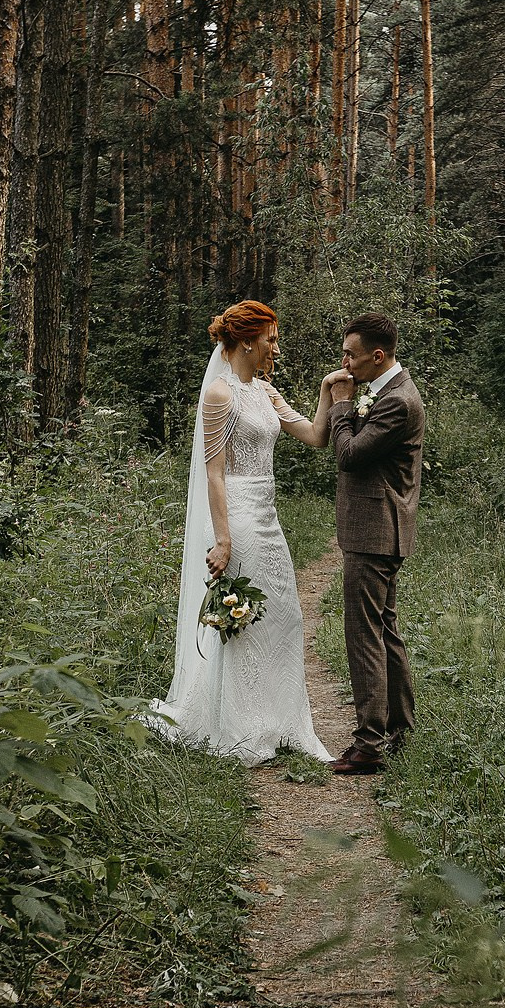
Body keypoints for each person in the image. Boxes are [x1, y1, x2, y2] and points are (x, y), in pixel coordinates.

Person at [149, 301, 339, 764]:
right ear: (248, 342)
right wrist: (223, 539)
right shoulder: (220, 395)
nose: (276, 348)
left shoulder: (266, 392)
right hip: (236, 515)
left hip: (267, 513)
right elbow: (213, 473)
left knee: (285, 614)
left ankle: (284, 722)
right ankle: (242, 725)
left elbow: (316, 436)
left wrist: (328, 391)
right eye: (271, 339)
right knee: (245, 619)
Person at [319, 312, 424, 777]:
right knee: (385, 631)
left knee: (364, 636)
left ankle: (369, 745)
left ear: (377, 356)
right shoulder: (386, 391)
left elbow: (348, 455)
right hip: (380, 530)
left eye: (351, 355)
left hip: (375, 531)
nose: (344, 362)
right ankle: (397, 731)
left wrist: (342, 404)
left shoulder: (397, 401)